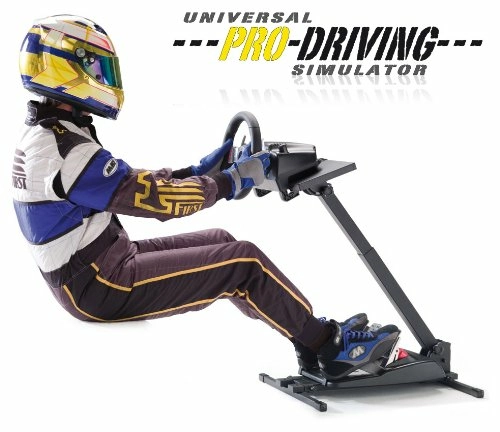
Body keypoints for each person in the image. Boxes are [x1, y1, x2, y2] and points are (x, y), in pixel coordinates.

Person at [14, 15, 400, 380]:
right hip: (99, 287)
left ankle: (306, 337)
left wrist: (198, 171)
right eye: (96, 69)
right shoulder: (64, 152)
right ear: (66, 70)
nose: (104, 79)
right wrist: (230, 181)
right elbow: (157, 201)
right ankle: (330, 348)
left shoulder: (53, 135)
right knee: (244, 262)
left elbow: (130, 184)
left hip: (98, 265)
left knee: (221, 240)